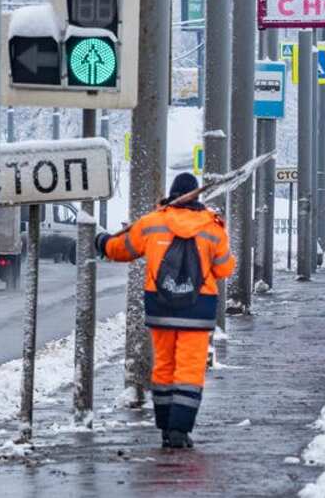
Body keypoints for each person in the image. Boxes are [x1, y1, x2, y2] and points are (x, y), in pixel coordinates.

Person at [97, 172, 235, 450]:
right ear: (197, 196)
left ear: (171, 196)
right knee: (189, 369)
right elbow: (225, 269)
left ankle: (164, 427)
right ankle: (179, 431)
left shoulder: (152, 223)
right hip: (198, 310)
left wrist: (101, 241)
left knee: (164, 366)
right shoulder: (212, 227)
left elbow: (120, 249)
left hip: (161, 307)